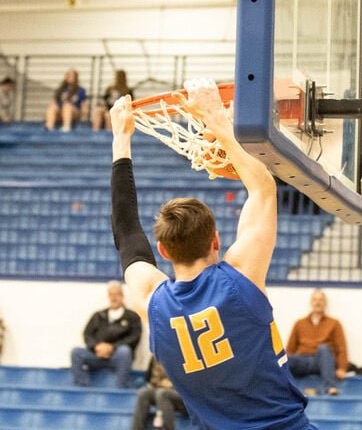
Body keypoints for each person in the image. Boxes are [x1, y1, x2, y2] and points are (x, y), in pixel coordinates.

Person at [110, 79, 318, 429]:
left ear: (162, 250)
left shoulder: (152, 302)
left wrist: (121, 140)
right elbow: (264, 189)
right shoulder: (240, 277)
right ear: (216, 240)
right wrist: (215, 119)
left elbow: (126, 230)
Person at [71, 280, 142, 388]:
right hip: (96, 355)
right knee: (76, 352)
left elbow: (134, 337)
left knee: (125, 351)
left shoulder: (132, 317)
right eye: (111, 295)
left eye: (117, 294)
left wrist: (112, 347)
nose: (114, 298)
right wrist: (96, 347)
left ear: (122, 296)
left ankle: (120, 387)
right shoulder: (98, 316)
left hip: (117, 357)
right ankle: (82, 385)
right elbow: (87, 334)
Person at [286, 289, 348, 396]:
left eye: (321, 300)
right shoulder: (299, 323)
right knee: (282, 358)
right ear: (311, 302)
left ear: (325, 303)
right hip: (303, 361)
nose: (318, 302)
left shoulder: (334, 323)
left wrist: (342, 368)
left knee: (324, 348)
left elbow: (341, 348)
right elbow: (290, 348)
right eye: (315, 299)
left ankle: (329, 387)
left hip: (322, 361)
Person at [132, 355, 187, 430]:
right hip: (161, 392)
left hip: (184, 397)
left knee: (162, 393)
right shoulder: (156, 355)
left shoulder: (183, 355)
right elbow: (149, 379)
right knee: (143, 393)